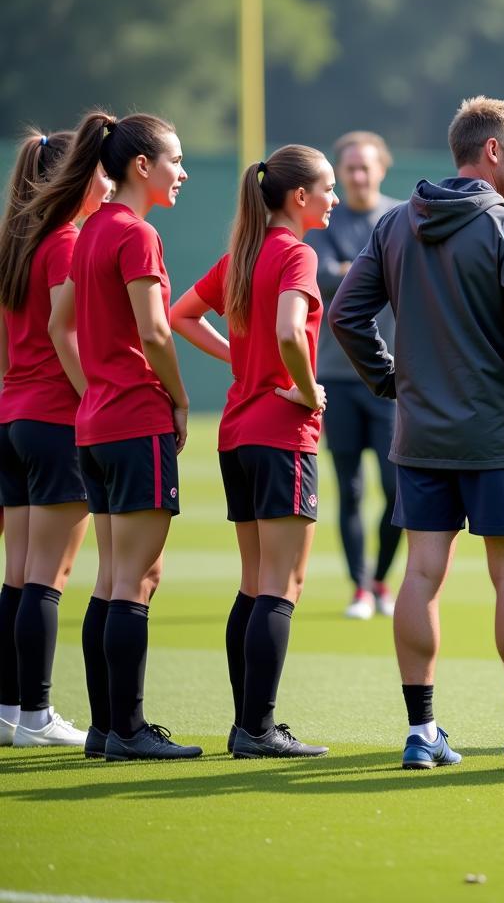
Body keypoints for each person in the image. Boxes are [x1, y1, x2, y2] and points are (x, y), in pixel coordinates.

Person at [331, 95, 504, 770]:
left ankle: (422, 733)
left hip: (421, 436)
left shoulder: (393, 225)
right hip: (500, 435)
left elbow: (346, 316)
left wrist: (392, 382)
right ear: (493, 151)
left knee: (419, 574)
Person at [170, 144, 335, 758]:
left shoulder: (244, 254)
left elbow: (180, 315)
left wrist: (239, 360)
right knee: (282, 585)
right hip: (280, 435)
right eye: (327, 188)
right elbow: (293, 331)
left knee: (253, 583)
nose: (334, 198)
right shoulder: (296, 252)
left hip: (237, 433)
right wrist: (305, 386)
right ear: (299, 197)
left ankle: (249, 725)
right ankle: (257, 730)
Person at [47, 110, 201, 761]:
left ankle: (108, 730)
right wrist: (182, 400)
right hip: (136, 421)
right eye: (175, 160)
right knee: (134, 579)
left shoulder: (88, 232)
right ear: (143, 166)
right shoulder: (135, 234)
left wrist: (96, 391)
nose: (183, 172)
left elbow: (63, 326)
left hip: (95, 425)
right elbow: (156, 331)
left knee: (112, 577)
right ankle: (128, 731)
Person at [0, 128, 94, 748]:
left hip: (12, 418)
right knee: (47, 577)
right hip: (56, 419)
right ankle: (34, 714)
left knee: (18, 577)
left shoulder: (18, 244)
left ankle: (9, 711)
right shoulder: (63, 242)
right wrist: (98, 398)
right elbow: (67, 335)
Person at [306, 131, 402, 620]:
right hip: (338, 378)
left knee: (397, 489)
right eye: (350, 169)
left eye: (366, 167)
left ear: (382, 169)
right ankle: (360, 589)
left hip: (391, 381)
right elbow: (323, 276)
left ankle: (382, 579)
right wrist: (377, 272)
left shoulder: (401, 215)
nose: (358, 176)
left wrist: (353, 270)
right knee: (350, 489)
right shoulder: (326, 217)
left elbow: (404, 275)